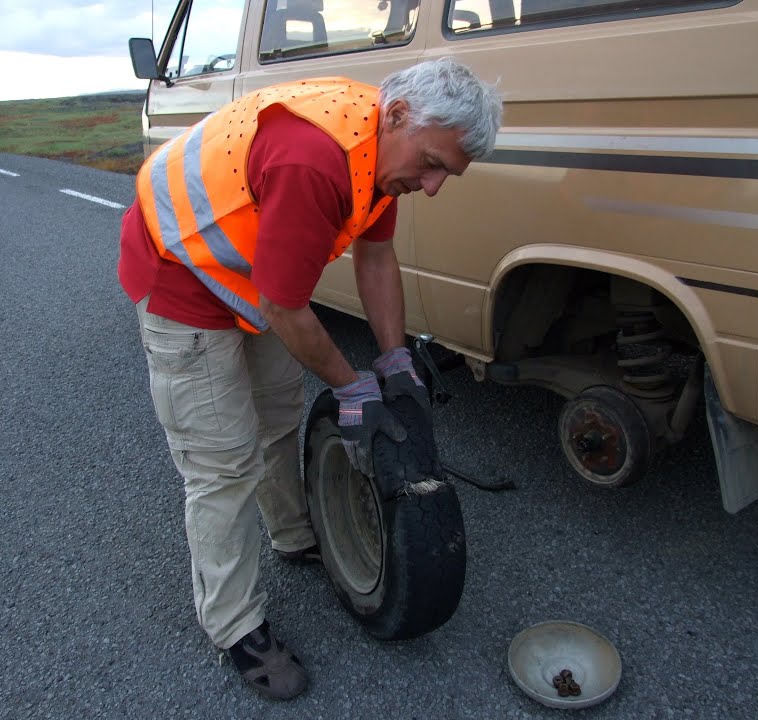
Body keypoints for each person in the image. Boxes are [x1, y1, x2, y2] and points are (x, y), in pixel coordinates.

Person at [117, 57, 503, 700]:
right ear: (402, 116)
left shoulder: (380, 154)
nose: (433, 186)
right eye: (434, 164)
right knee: (222, 464)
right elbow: (286, 307)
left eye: (447, 176)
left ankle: (294, 536)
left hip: (251, 277)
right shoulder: (314, 159)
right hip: (181, 269)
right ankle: (234, 626)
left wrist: (394, 358)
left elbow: (376, 256)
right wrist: (354, 387)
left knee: (278, 416)